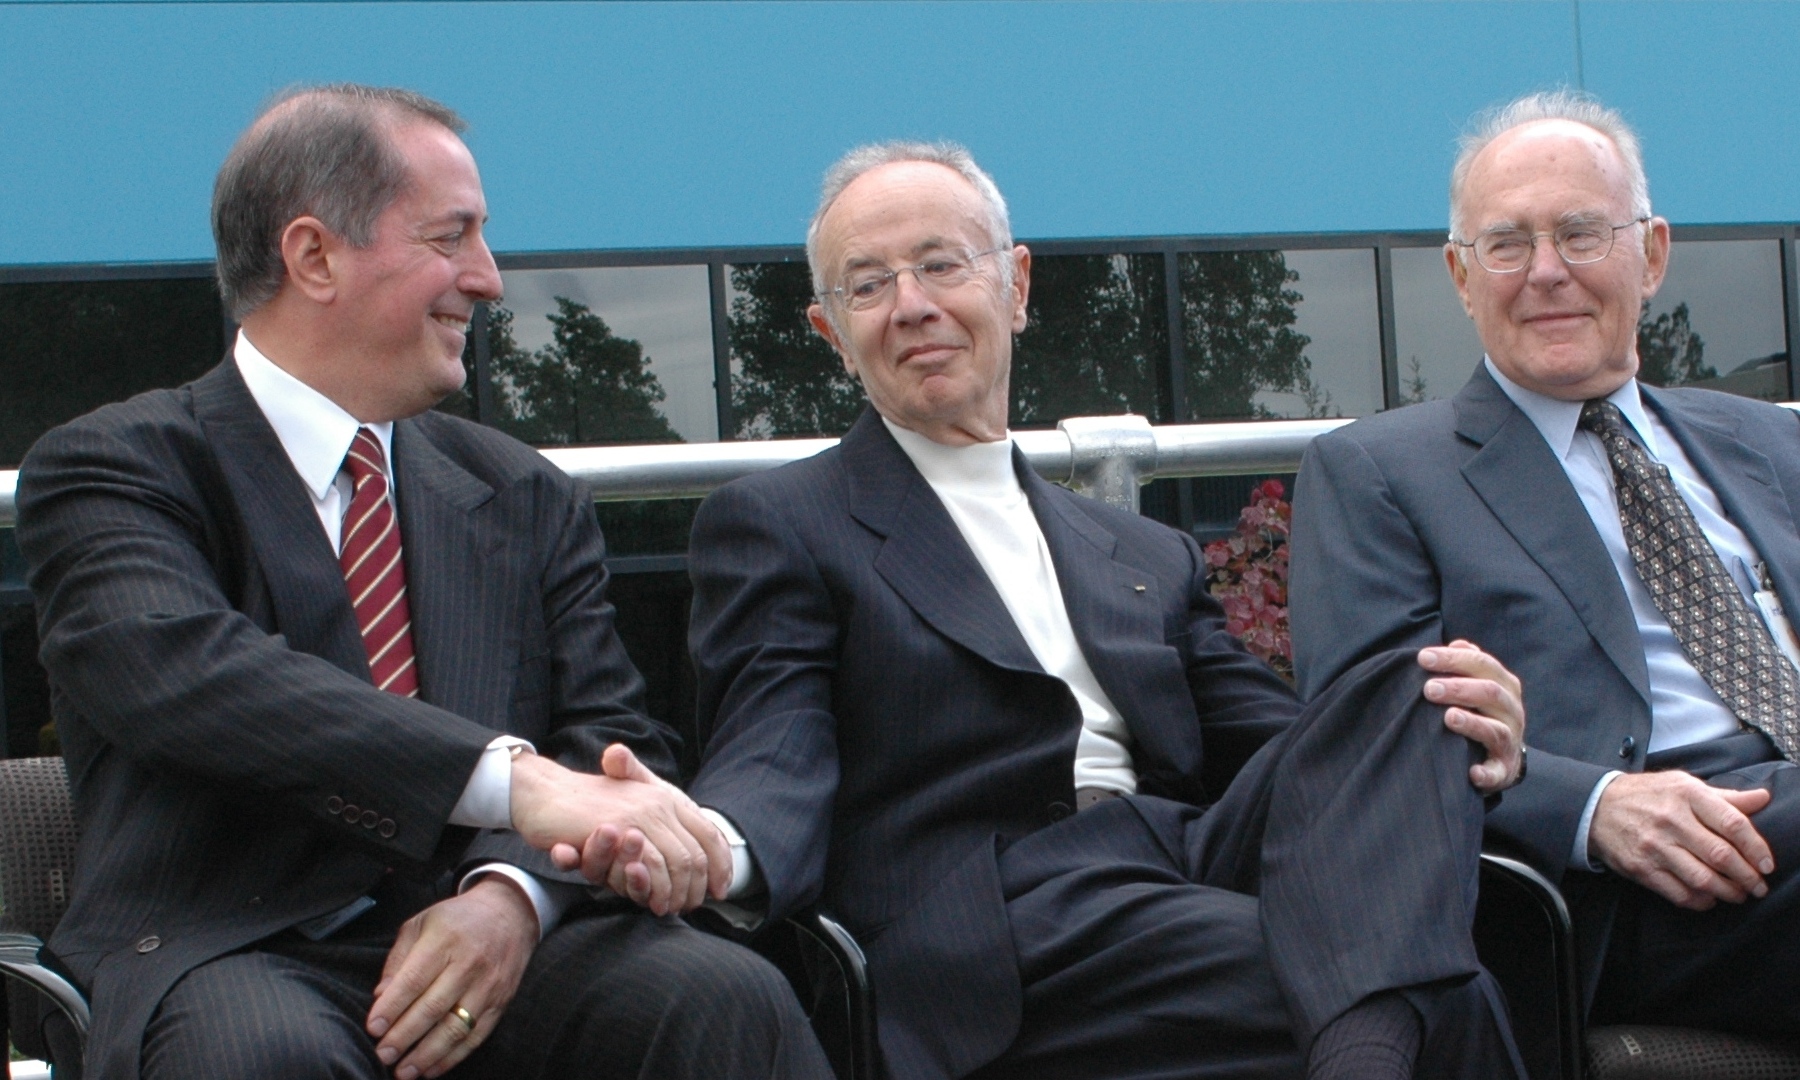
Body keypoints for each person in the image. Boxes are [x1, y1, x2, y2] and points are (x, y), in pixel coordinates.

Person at [14, 84, 831, 1080]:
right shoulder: (115, 467)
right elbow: (185, 674)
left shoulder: (523, 491)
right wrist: (518, 784)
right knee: (261, 1058)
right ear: (314, 257)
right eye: (452, 238)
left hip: (494, 931)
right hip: (231, 945)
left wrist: (511, 897)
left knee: (723, 1001)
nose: (488, 279)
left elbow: (612, 743)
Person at [675, 140, 1530, 1080]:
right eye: (868, 285)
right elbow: (773, 750)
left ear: (1015, 286)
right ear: (833, 332)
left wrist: (1452, 731)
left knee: (1415, 686)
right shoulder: (784, 522)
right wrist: (716, 845)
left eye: (941, 264)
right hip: (996, 916)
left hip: (1176, 859)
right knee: (1446, 997)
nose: (911, 304)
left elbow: (1301, 749)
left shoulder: (1141, 551)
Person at [1289, 90, 1800, 1044]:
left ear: (1652, 254)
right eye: (1507, 244)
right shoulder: (1379, 475)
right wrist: (1592, 806)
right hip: (1638, 884)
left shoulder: (1768, 441)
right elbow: (1372, 754)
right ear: (1460, 275)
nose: (1547, 272)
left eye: (1580, 233)